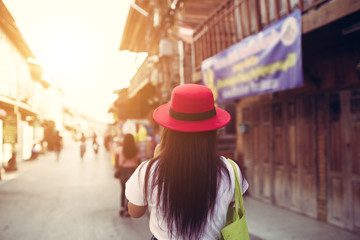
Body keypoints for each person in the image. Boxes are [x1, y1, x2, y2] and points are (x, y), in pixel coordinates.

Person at [125, 84, 248, 240]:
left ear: (169, 131)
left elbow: (135, 212)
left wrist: (157, 159)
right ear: (213, 130)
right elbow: (229, 208)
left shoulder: (149, 170)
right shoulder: (230, 170)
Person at [116, 133, 140, 217]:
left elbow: (117, 162)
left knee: (123, 189)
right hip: (132, 171)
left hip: (123, 171)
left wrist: (118, 170)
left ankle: (122, 207)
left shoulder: (119, 149)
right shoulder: (136, 150)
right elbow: (138, 162)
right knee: (130, 191)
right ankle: (127, 209)